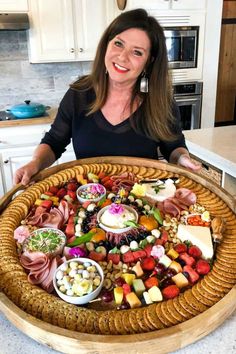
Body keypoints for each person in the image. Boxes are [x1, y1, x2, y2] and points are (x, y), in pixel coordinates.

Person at [14, 8, 200, 186]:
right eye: (118, 44)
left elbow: (174, 146)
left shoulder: (160, 101)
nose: (122, 56)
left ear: (148, 62)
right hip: (89, 201)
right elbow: (54, 141)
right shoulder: (78, 94)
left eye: (137, 52)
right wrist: (35, 163)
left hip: (144, 205)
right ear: (106, 45)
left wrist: (182, 159)